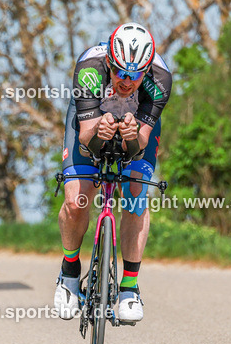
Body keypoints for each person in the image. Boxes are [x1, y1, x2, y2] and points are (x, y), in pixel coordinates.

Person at [54, 22, 172, 324]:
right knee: (75, 200)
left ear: (146, 70)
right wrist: (100, 134)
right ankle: (69, 274)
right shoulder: (89, 69)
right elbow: (87, 139)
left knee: (135, 196)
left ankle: (129, 288)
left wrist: (131, 137)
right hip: (90, 121)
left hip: (135, 128)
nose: (126, 80)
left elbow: (140, 144)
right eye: (119, 71)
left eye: (134, 75)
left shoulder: (160, 80)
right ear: (109, 60)